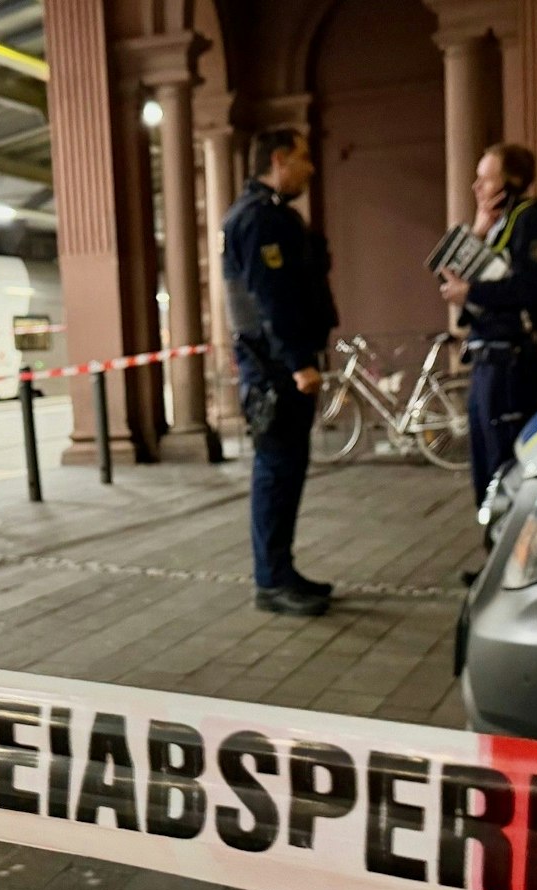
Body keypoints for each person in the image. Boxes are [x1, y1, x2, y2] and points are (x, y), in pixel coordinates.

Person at [222, 127, 341, 617]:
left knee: (287, 472)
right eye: (303, 158)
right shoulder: (259, 219)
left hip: (279, 369)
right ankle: (271, 582)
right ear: (278, 159)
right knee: (276, 473)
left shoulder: (273, 215)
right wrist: (299, 363)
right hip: (275, 372)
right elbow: (272, 300)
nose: (310, 168)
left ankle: (282, 572)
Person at [440, 143, 537, 502]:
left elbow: (530, 288)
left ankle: (508, 533)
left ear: (511, 182)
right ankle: (490, 533)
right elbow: (448, 275)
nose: (476, 187)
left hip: (511, 359)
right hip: (486, 358)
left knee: (504, 463)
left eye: (485, 179)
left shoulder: (534, 224)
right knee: (483, 463)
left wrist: (471, 293)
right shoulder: (498, 226)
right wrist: (479, 231)